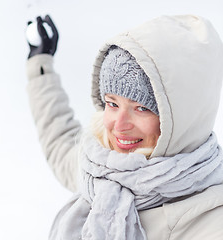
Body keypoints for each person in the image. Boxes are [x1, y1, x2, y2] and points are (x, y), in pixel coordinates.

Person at [26, 15, 223, 240]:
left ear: (182, 118)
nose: (119, 125)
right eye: (112, 103)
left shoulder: (210, 220)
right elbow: (59, 138)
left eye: (141, 108)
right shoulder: (102, 169)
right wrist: (39, 64)